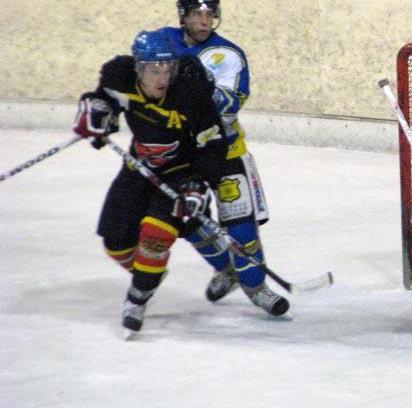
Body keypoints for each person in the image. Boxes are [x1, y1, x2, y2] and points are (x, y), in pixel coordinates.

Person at [73, 29, 288, 333]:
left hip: (181, 170)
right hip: (140, 167)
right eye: (154, 70)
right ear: (138, 68)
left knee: (158, 234)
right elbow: (103, 99)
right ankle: (154, 271)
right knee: (115, 240)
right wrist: (96, 113)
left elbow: (211, 145)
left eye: (168, 69)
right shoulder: (119, 75)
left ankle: (139, 295)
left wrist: (195, 184)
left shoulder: (190, 88)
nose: (162, 77)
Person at [156, 0, 288, 316]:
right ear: (183, 16)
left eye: (210, 14)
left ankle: (256, 288)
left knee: (240, 225)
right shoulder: (163, 42)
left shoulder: (227, 54)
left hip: (226, 151)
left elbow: (228, 107)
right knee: (187, 219)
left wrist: (197, 86)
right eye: (197, 14)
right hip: (182, 155)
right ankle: (228, 268)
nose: (204, 21)